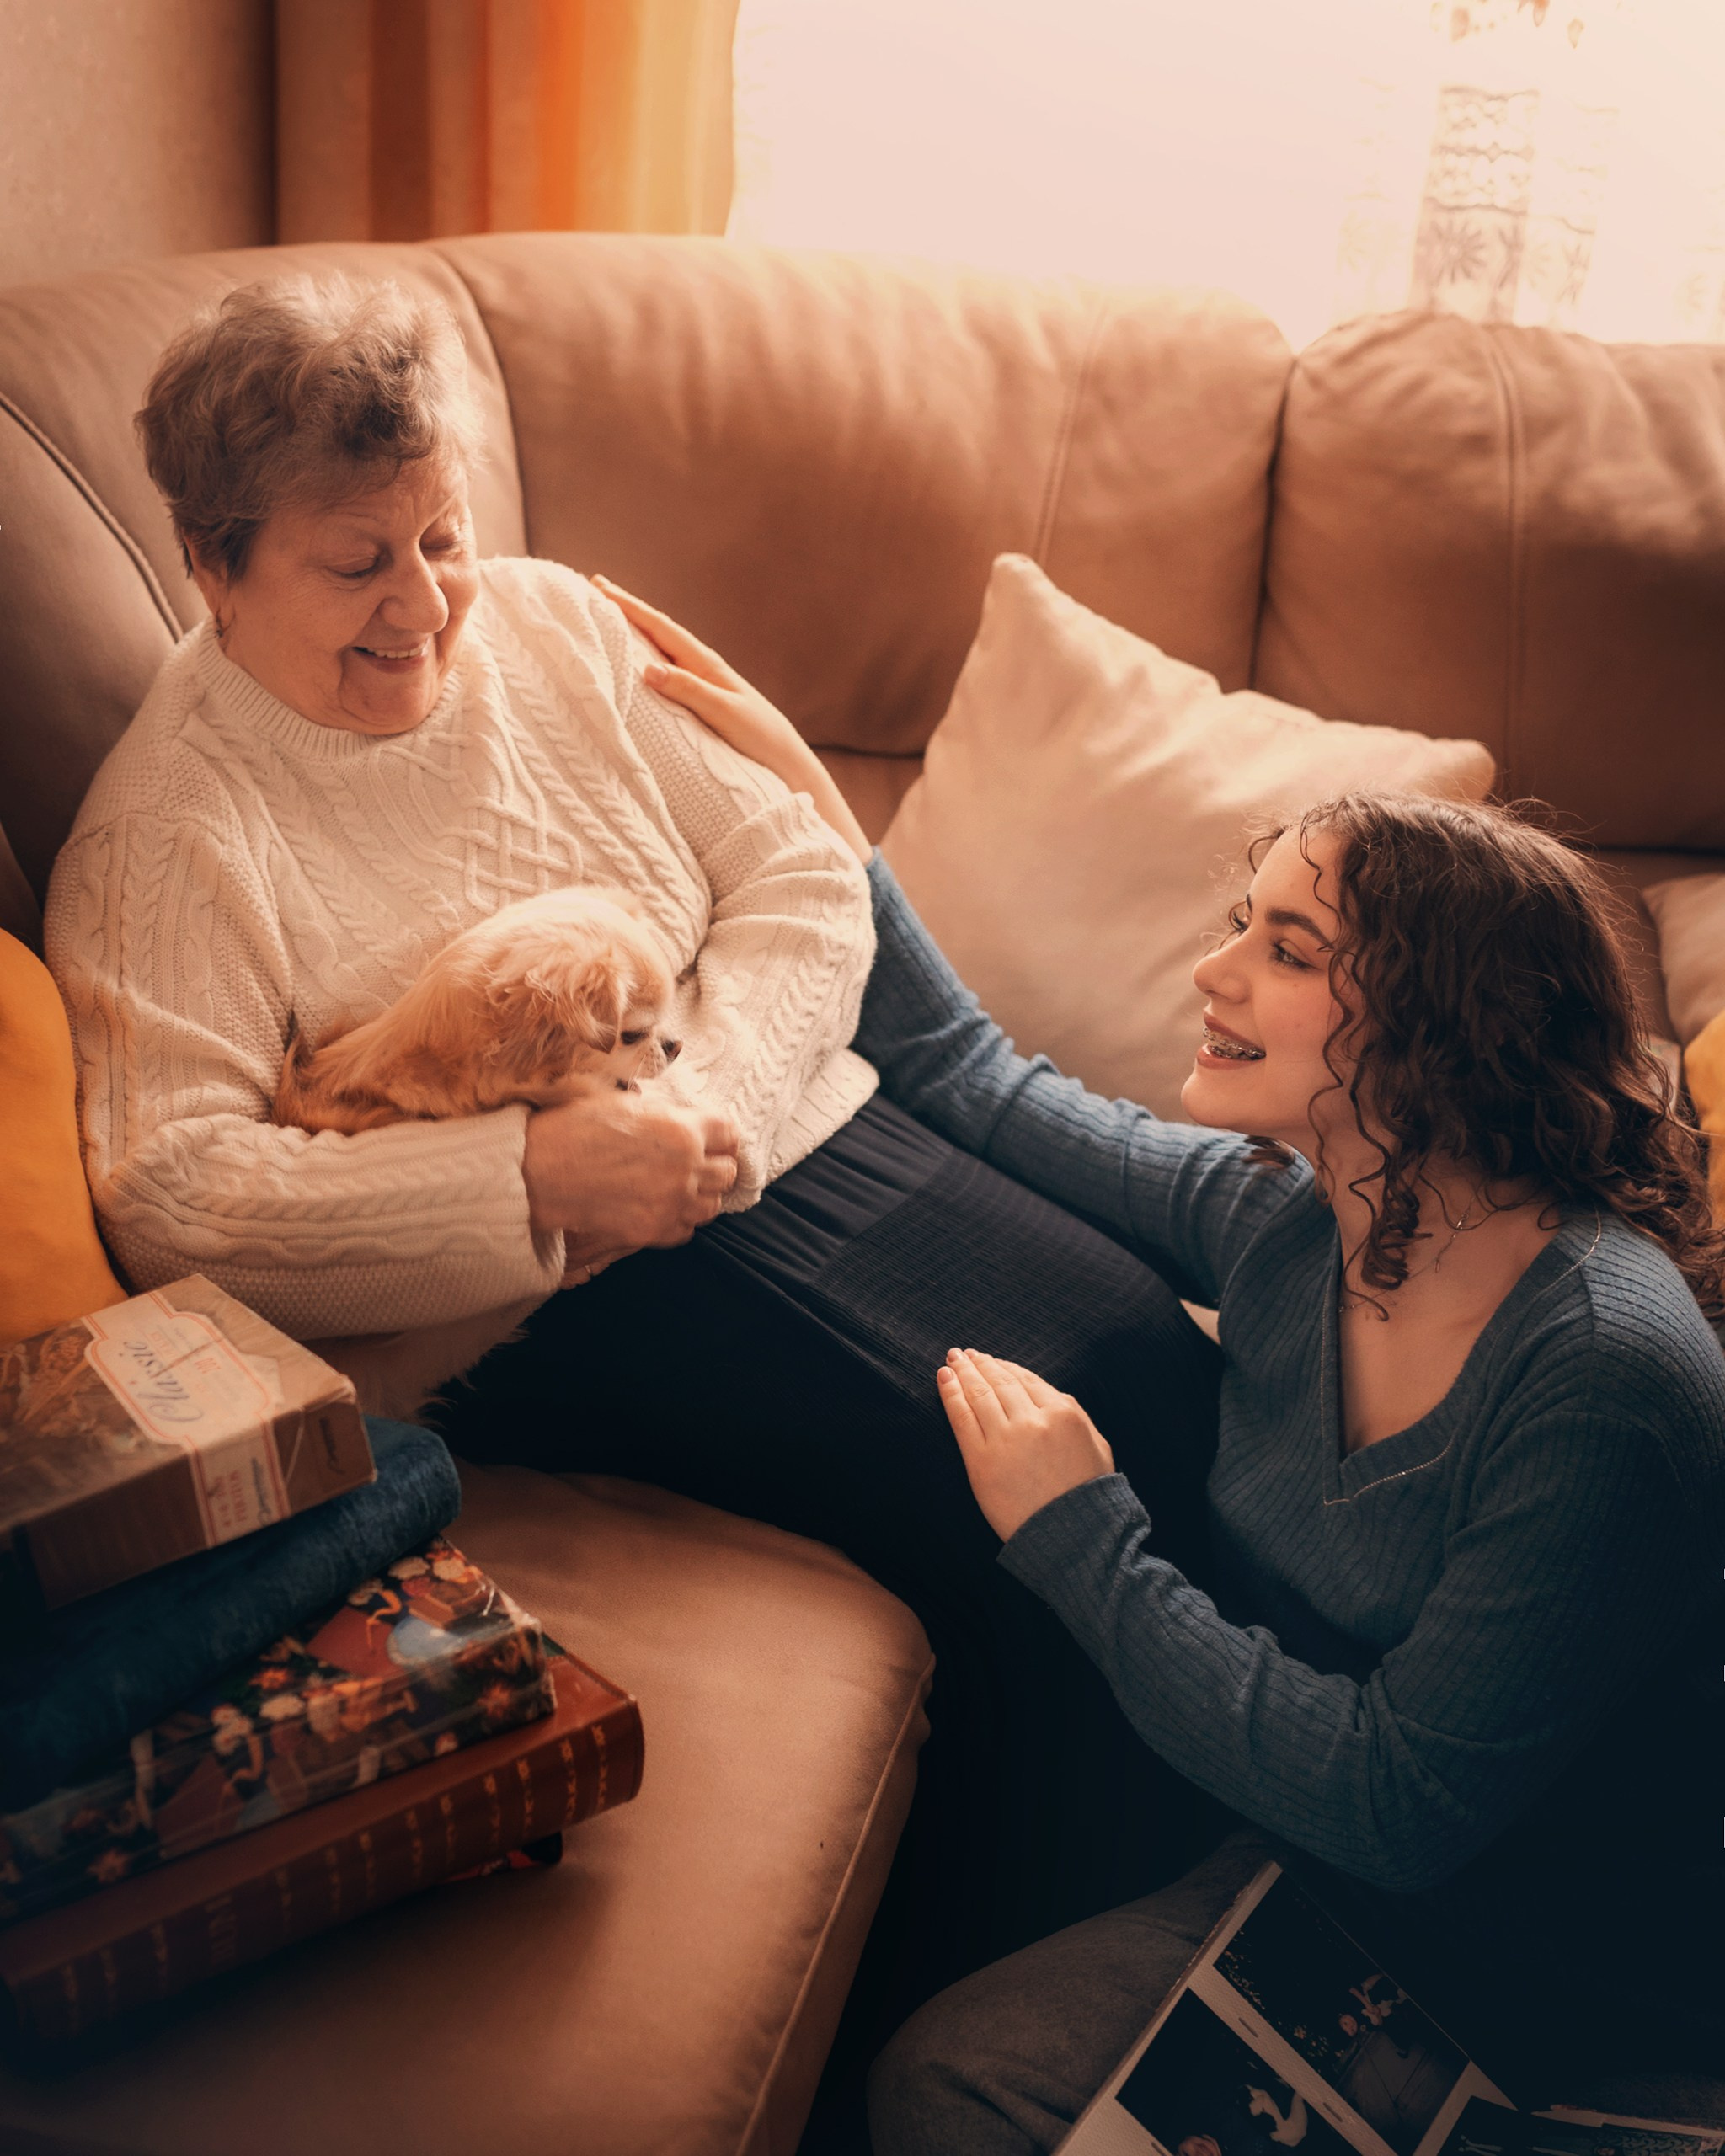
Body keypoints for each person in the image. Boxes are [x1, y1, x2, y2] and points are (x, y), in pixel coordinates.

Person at [45, 276, 1224, 2030]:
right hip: (552, 1304)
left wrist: (709, 1123)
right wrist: (527, 1187)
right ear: (216, 571)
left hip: (790, 1138)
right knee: (1013, 1518)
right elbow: (176, 1186)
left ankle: (1211, 1953)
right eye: (354, 561)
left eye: (440, 532)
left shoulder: (557, 627)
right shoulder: (173, 827)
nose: (428, 599)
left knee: (1150, 1354)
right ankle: (996, 2034)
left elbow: (803, 873)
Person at [595, 586, 1725, 2145]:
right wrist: (806, 797)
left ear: (1439, 1033)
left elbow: (1392, 1805)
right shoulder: (1295, 1222)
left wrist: (1083, 1535)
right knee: (932, 2069)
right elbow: (972, 1078)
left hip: (1542, 1971)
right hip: (1297, 1864)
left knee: (957, 2092)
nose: (1215, 974)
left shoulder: (1607, 1379)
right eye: (1237, 925)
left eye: (1286, 946)